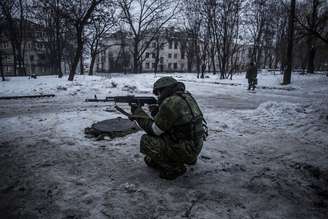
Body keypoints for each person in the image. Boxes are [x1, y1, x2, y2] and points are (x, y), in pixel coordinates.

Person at [129, 76, 207, 180]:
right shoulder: (187, 97)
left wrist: (138, 113)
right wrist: (157, 112)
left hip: (186, 149)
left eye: (159, 93)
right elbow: (176, 120)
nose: (158, 96)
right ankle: (188, 158)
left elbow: (154, 130)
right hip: (196, 145)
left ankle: (174, 167)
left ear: (165, 90)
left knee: (146, 140)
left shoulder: (170, 103)